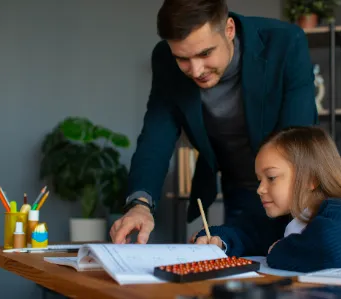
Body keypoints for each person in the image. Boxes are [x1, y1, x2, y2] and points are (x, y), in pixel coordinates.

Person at [110, 0, 317, 245]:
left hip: (292, 181)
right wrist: (140, 205)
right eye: (183, 59)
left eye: (205, 53)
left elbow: (298, 134)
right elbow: (155, 138)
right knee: (242, 261)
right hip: (238, 185)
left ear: (229, 29)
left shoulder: (285, 42)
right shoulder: (164, 60)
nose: (196, 70)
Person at [194, 126, 341, 273]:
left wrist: (277, 251)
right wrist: (216, 240)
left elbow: (332, 247)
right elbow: (245, 232)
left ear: (311, 179)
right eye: (259, 180)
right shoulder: (286, 221)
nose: (261, 189)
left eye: (271, 177)